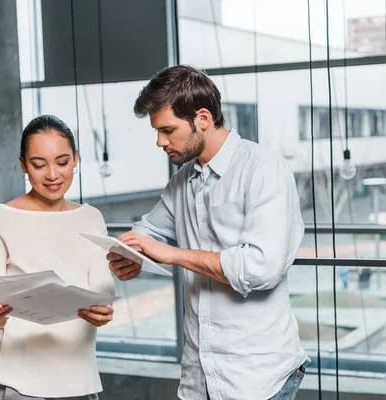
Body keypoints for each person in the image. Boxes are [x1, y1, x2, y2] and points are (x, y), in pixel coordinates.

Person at [108, 65, 309, 400]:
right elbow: (147, 232)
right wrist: (130, 256)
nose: (160, 141)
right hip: (198, 378)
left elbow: (261, 268)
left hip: (257, 379)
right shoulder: (181, 182)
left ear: (202, 117)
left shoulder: (263, 167)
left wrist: (172, 254)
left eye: (168, 130)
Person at [0, 114, 115, 400]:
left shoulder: (91, 217)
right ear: (23, 165)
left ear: (76, 158)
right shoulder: (1, 218)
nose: (52, 174)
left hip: (79, 379)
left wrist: (102, 309)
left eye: (62, 162)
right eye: (39, 165)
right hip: (16, 381)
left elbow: (102, 283)